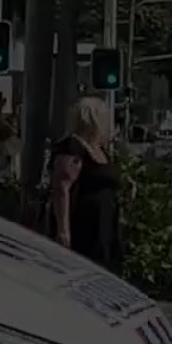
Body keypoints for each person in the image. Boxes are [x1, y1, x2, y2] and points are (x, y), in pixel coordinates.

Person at [49, 96, 123, 272]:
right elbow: (61, 187)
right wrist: (63, 229)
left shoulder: (99, 149)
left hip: (104, 221)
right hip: (84, 221)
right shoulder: (73, 147)